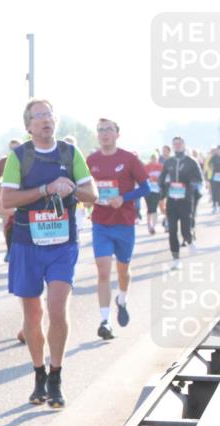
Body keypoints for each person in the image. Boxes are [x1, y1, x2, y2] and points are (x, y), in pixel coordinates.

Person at [1, 99, 97, 409]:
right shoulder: (19, 157)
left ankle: (56, 377)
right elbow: (7, 199)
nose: (45, 120)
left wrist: (69, 188)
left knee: (57, 309)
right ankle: (38, 374)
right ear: (28, 126)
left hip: (62, 244)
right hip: (27, 243)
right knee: (32, 315)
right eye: (38, 116)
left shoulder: (70, 154)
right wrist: (46, 189)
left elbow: (92, 194)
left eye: (49, 115)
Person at [86, 118, 149, 341]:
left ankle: (122, 299)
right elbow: (83, 187)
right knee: (103, 271)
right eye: (101, 130)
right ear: (97, 135)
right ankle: (105, 320)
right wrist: (88, 198)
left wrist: (124, 197)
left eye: (109, 130)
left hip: (124, 222)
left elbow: (146, 187)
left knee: (123, 271)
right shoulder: (90, 160)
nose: (104, 134)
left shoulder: (129, 159)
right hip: (101, 223)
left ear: (117, 134)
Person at [161, 136, 204, 270]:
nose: (177, 145)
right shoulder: (169, 162)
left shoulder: (191, 161)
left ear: (184, 145)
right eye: (175, 144)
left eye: (180, 143)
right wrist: (164, 189)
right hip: (172, 201)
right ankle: (176, 258)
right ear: (172, 146)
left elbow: (199, 179)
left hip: (186, 200)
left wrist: (189, 184)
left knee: (185, 230)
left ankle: (190, 241)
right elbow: (161, 179)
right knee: (172, 230)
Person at [144, 152, 164, 234]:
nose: (154, 160)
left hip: (157, 189)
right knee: (149, 207)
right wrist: (149, 179)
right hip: (148, 189)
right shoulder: (146, 167)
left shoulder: (161, 167)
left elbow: (163, 178)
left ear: (157, 159)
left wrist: (156, 178)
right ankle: (149, 224)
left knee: (154, 207)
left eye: (155, 158)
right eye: (152, 158)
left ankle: (153, 226)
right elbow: (142, 177)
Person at [208, 146, 220, 214]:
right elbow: (209, 165)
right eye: (218, 150)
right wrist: (212, 167)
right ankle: (215, 205)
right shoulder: (214, 157)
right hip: (215, 176)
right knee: (215, 191)